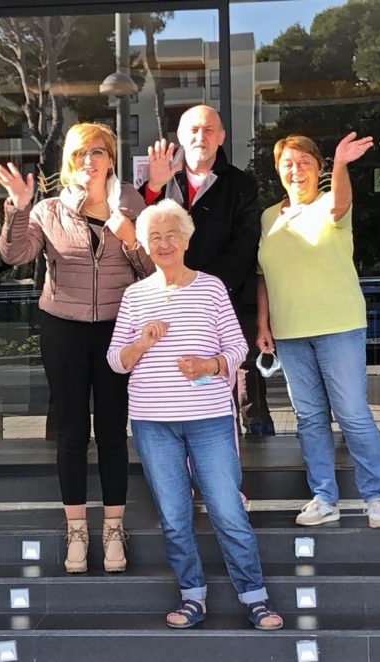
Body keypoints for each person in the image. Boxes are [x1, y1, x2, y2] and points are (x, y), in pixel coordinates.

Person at [107, 199, 283, 631]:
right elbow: (115, 360)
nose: (164, 243)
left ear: (186, 239)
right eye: (155, 237)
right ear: (146, 246)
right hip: (153, 423)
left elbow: (237, 347)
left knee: (226, 508)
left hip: (209, 419)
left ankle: (255, 597)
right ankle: (191, 596)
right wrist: (142, 344)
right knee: (173, 514)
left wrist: (210, 366)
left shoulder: (211, 288)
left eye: (171, 234)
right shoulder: (134, 295)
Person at [0, 122, 154, 574]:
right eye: (82, 153)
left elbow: (149, 271)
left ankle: (114, 530)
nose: (90, 161)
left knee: (110, 432)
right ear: (70, 161)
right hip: (62, 328)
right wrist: (18, 210)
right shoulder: (47, 211)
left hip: (116, 331)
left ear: (110, 160)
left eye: (99, 152)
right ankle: (77, 531)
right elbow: (14, 255)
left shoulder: (132, 207)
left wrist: (129, 237)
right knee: (70, 432)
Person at [256, 132, 380, 529]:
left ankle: (375, 497)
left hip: (338, 326)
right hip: (291, 332)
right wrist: (264, 325)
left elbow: (341, 203)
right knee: (310, 419)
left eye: (304, 162)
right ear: (278, 170)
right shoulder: (268, 217)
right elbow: (264, 276)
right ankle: (324, 497)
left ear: (318, 168)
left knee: (352, 415)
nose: (295, 170)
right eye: (287, 164)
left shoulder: (330, 203)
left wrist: (342, 164)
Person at [142, 104, 274, 437]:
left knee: (245, 387)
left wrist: (202, 288)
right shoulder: (160, 182)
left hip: (228, 301)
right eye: (194, 130)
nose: (201, 136)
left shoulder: (242, 185)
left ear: (222, 137)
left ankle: (258, 465)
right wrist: (152, 189)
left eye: (209, 129)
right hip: (171, 303)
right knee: (190, 381)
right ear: (181, 137)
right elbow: (143, 232)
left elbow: (245, 246)